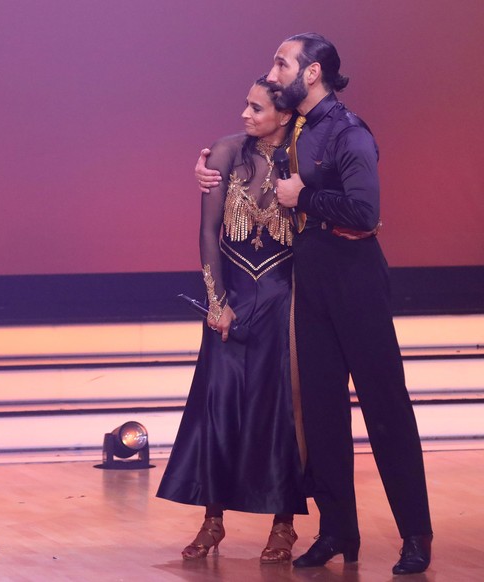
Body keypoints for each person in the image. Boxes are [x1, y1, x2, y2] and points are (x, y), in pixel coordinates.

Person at [195, 33, 432, 575]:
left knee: (385, 410)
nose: (273, 69)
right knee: (321, 414)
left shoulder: (349, 132)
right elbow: (249, 142)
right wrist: (209, 167)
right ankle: (336, 531)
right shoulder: (296, 128)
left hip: (356, 281)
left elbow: (365, 212)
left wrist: (305, 197)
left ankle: (415, 536)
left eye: (282, 61)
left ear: (313, 72)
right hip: (312, 283)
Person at [157, 76, 307, 564]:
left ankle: (284, 523)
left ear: (284, 116)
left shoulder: (305, 157)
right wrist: (216, 301)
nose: (245, 114)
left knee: (279, 409)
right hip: (234, 297)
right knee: (219, 405)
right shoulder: (225, 152)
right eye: (245, 104)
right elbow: (207, 232)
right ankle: (212, 518)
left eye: (257, 108)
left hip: (284, 301)